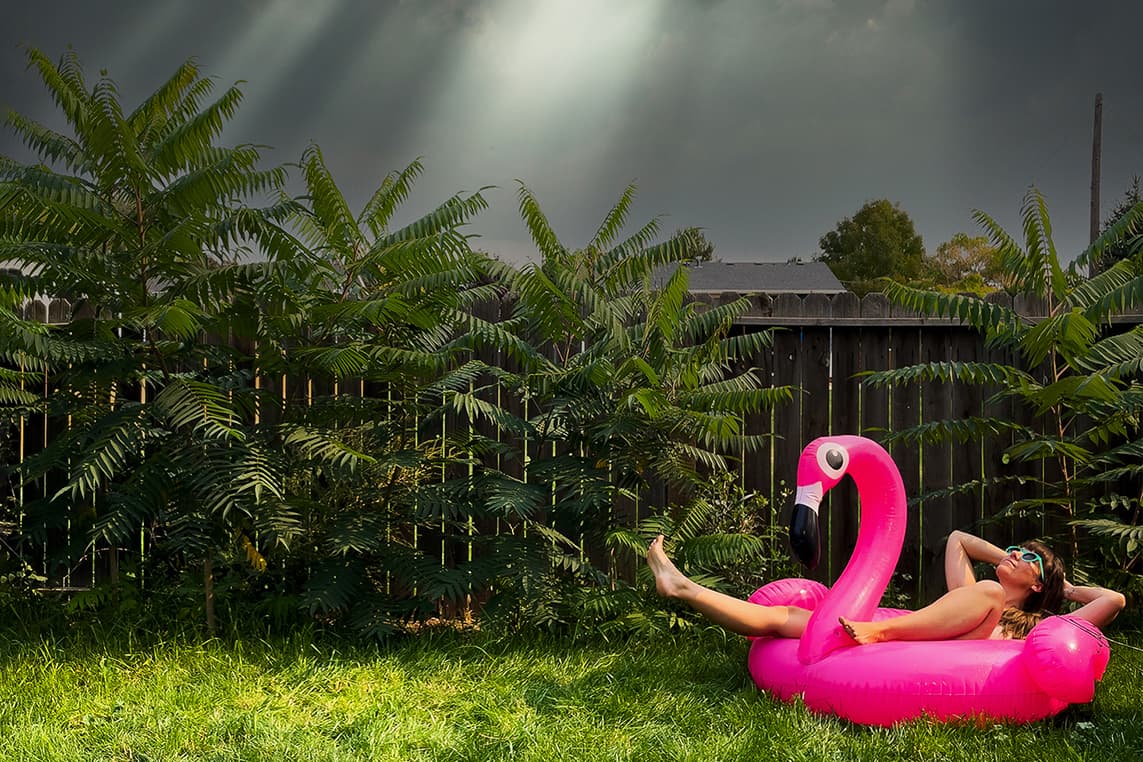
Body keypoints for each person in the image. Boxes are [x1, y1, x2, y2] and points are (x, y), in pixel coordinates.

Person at [647, 529, 1125, 643]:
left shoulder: (1041, 627)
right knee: (785, 621)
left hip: (903, 647)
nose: (1013, 554)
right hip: (914, 640)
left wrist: (1062, 590)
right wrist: (1008, 559)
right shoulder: (976, 593)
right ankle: (682, 587)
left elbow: (1114, 599)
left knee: (990, 593)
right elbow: (957, 540)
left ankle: (878, 632)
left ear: (1038, 584)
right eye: (1016, 549)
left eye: (1027, 559)